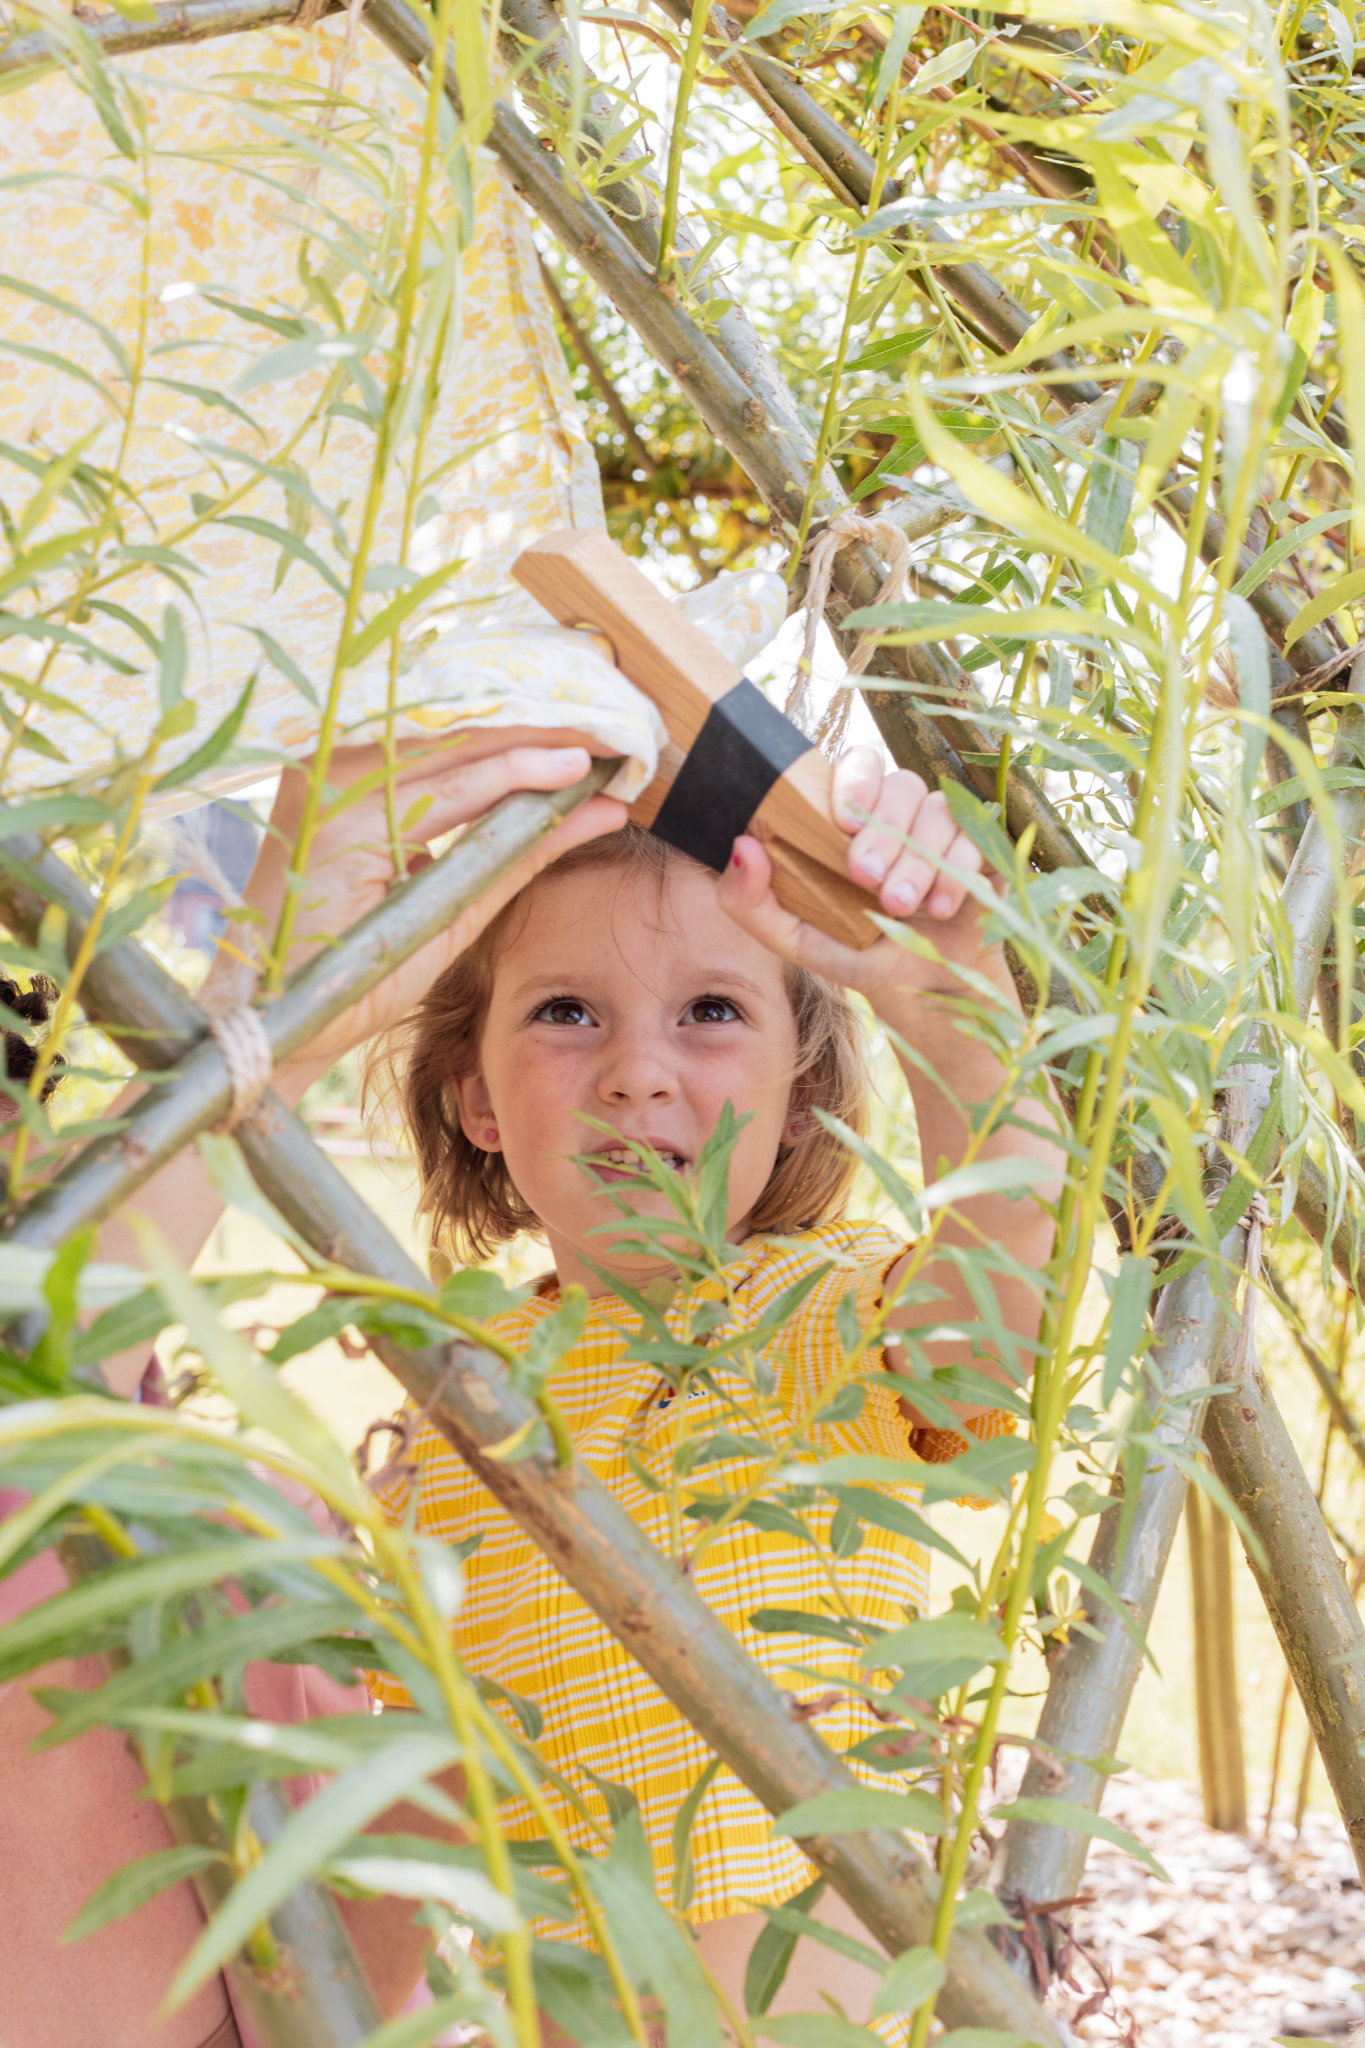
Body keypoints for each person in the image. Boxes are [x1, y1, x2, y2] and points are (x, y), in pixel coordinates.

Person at [0, 729, 1062, 2047]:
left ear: (801, 1094)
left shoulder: (803, 1312)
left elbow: (991, 1325)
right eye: (566, 1013)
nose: (636, 1068)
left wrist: (960, 1030)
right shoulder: (458, 1389)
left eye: (713, 1011)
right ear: (476, 1096)